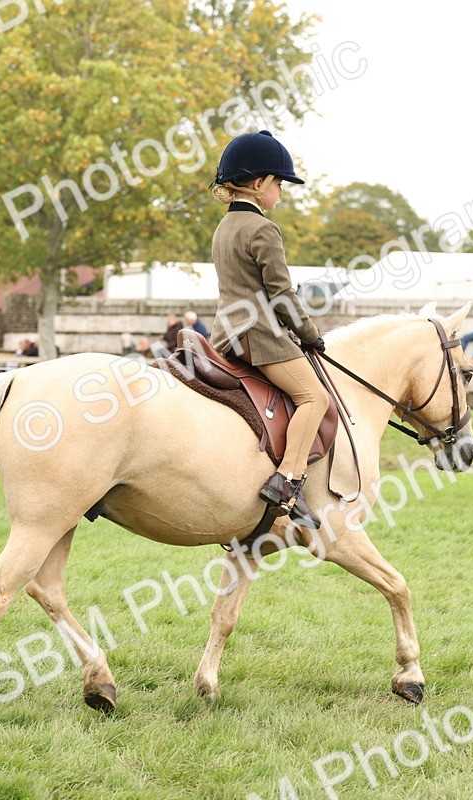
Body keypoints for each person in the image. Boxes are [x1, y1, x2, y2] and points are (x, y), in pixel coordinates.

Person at [207, 129, 327, 529]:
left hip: (226, 334)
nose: (281, 192)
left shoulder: (225, 227)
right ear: (259, 184)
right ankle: (288, 480)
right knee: (314, 397)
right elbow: (281, 295)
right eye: (279, 184)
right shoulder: (263, 229)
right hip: (258, 336)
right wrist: (309, 335)